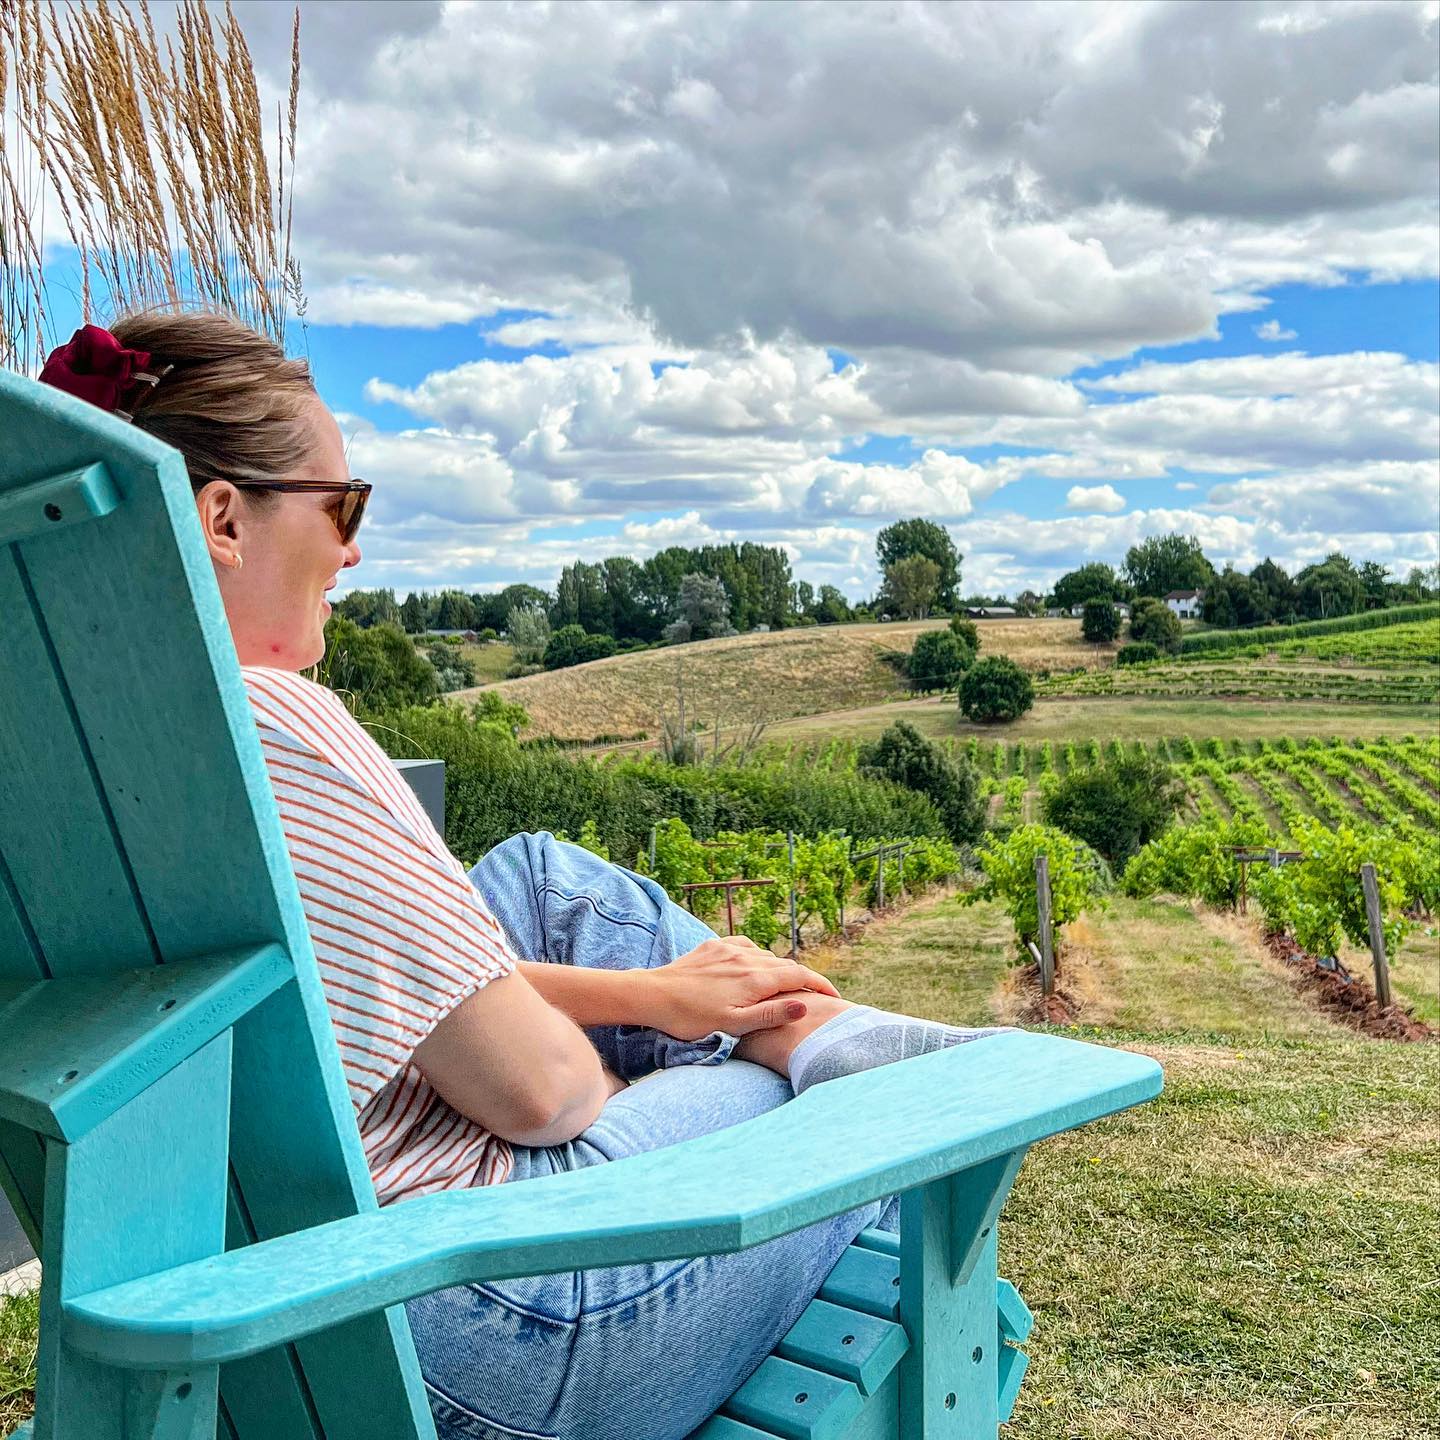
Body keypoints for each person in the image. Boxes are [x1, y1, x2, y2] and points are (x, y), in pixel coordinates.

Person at [39, 310, 1009, 1440]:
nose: (353, 550)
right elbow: (542, 1095)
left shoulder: (72, 751)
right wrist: (635, 1075)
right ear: (221, 520)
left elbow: (348, 988)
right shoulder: (267, 719)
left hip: (245, 1263)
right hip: (475, 1317)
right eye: (342, 507)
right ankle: (814, 1048)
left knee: (538, 878)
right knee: (813, 1103)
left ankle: (784, 1031)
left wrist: (653, 1004)